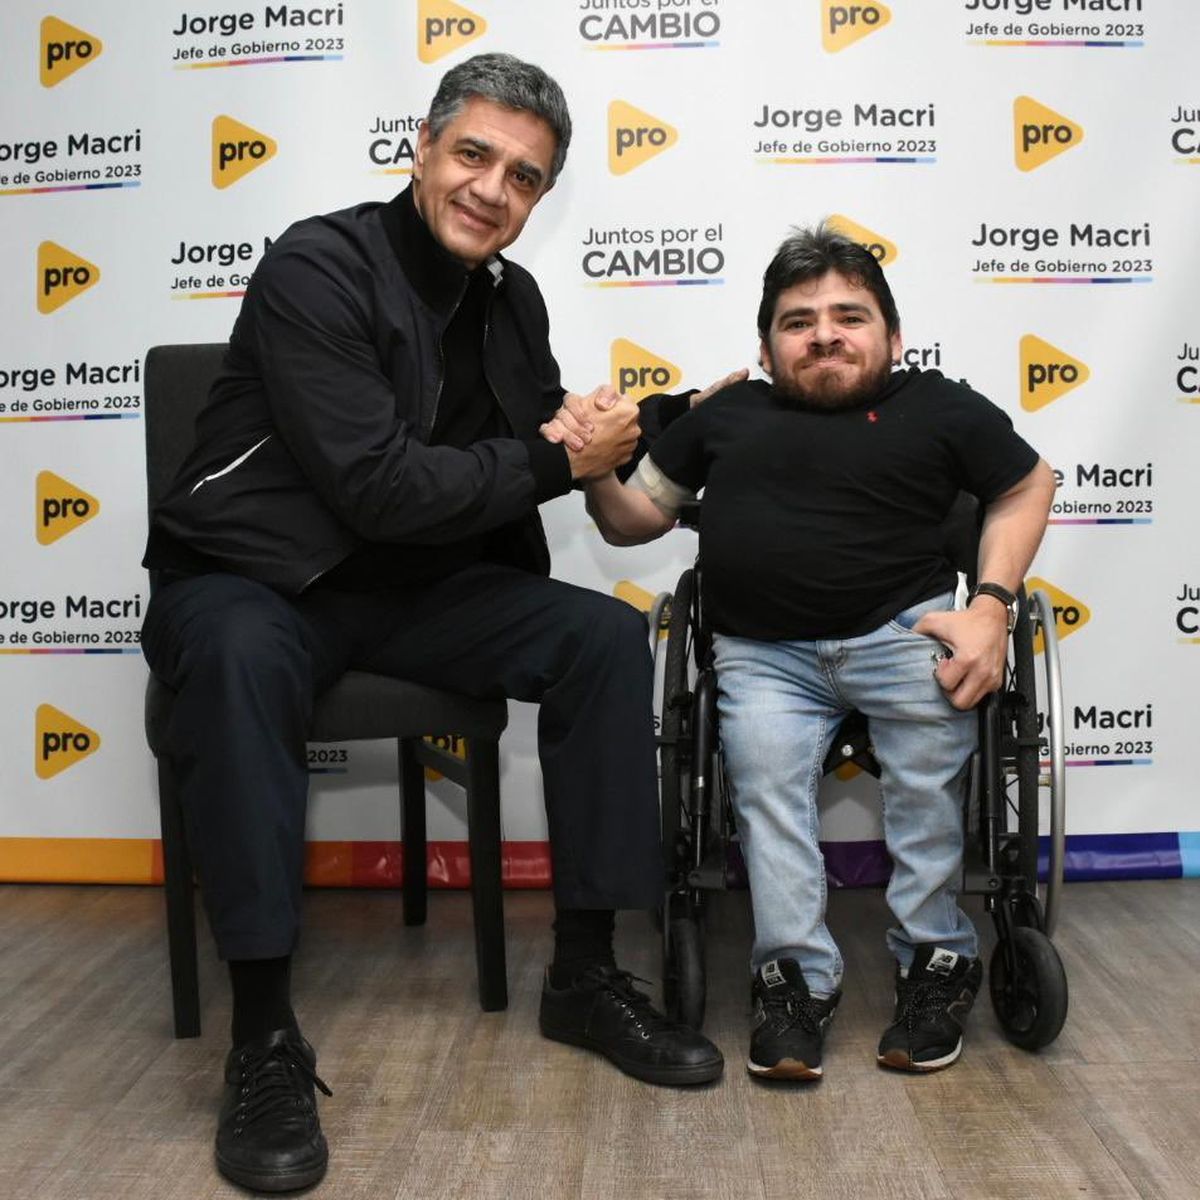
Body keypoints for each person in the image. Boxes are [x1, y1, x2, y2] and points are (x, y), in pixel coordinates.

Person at [141, 52, 722, 1194]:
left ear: (540, 197)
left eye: (524, 176)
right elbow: (380, 487)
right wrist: (563, 458)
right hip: (256, 580)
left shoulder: (516, 301)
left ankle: (585, 977)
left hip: (412, 592)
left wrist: (668, 434)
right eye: (474, 155)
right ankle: (263, 1039)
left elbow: (560, 459)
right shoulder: (317, 265)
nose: (493, 190)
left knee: (603, 641)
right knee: (240, 655)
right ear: (421, 148)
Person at [580, 224, 1056, 1082]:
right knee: (764, 785)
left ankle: (936, 961)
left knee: (928, 778)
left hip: (904, 633)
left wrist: (990, 607)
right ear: (766, 349)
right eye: (799, 322)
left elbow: (1028, 484)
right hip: (761, 654)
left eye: (849, 316)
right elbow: (632, 521)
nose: (825, 334)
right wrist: (592, 473)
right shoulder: (725, 416)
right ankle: (793, 979)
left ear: (893, 337)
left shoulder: (940, 405)